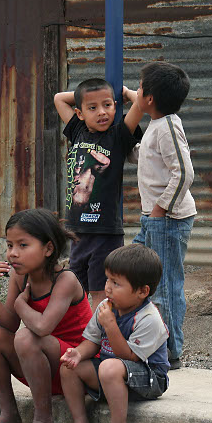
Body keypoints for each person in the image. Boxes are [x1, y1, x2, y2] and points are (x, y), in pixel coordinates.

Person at [0, 208, 93, 423]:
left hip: (74, 369)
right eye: (9, 246)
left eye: (23, 245)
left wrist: (19, 303)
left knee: (27, 337)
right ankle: (9, 414)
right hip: (40, 366)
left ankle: (44, 420)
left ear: (48, 249)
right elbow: (8, 324)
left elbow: (41, 327)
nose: (13, 254)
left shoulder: (65, 280)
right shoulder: (21, 277)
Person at [59, 244, 169, 423]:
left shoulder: (149, 318)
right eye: (108, 278)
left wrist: (110, 325)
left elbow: (128, 357)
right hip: (111, 373)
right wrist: (78, 353)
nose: (108, 287)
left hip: (149, 379)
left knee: (109, 366)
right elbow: (92, 342)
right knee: (69, 367)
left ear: (142, 291)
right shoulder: (106, 307)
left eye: (116, 283)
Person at [123, 62, 195, 371]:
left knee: (165, 286)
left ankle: (171, 352)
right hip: (154, 219)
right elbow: (143, 155)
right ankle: (154, 342)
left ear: (149, 99)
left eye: (139, 88)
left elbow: (184, 172)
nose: (136, 92)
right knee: (138, 272)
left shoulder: (167, 127)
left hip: (166, 219)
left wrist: (160, 208)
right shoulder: (157, 123)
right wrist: (131, 97)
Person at [54, 79, 143, 312]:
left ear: (115, 106)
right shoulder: (78, 131)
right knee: (77, 290)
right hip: (77, 230)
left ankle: (100, 343)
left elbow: (141, 104)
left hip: (105, 230)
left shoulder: (119, 136)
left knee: (101, 294)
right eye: (92, 108)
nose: (102, 112)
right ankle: (82, 341)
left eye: (107, 105)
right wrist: (87, 96)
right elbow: (58, 99)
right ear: (80, 113)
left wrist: (125, 93)